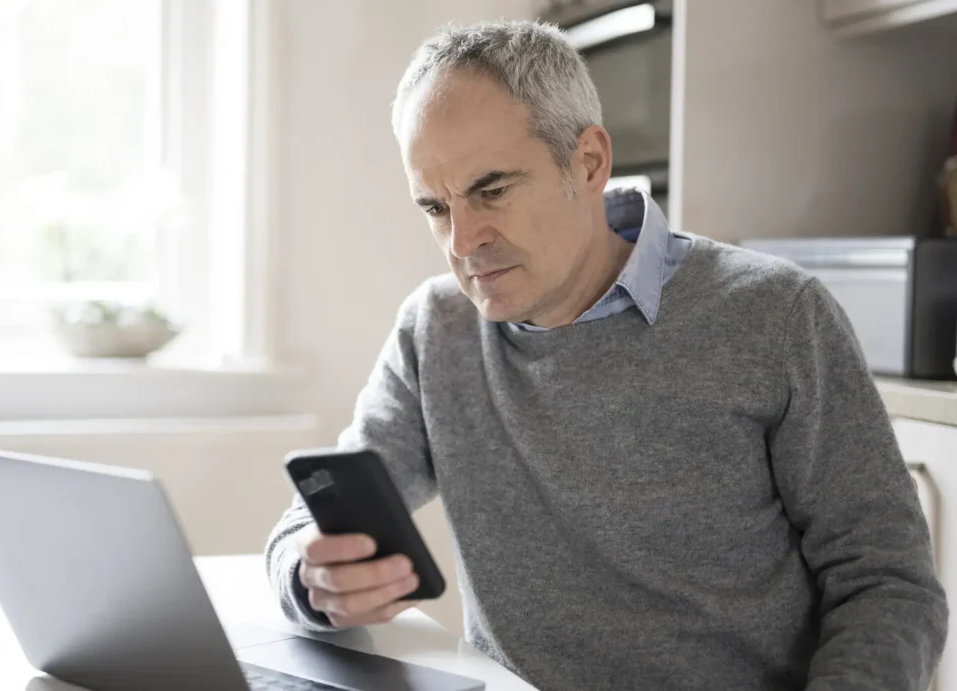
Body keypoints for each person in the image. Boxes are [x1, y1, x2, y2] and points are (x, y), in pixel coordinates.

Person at [265, 19, 947, 691]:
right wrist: (311, 575)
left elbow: (890, 585)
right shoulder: (433, 330)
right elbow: (309, 521)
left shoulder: (773, 315)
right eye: (435, 207)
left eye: (491, 190)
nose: (462, 240)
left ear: (587, 161)